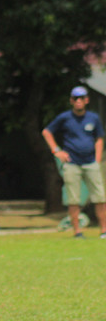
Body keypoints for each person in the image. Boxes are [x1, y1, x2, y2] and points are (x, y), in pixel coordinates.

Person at [42, 86, 106, 238]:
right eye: (75, 98)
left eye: (82, 98)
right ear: (71, 100)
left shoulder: (93, 118)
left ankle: (104, 230)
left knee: (100, 197)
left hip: (91, 163)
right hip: (72, 163)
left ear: (87, 100)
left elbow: (99, 138)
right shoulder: (65, 117)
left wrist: (97, 158)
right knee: (73, 199)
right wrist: (56, 151)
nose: (79, 101)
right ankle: (77, 232)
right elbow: (46, 132)